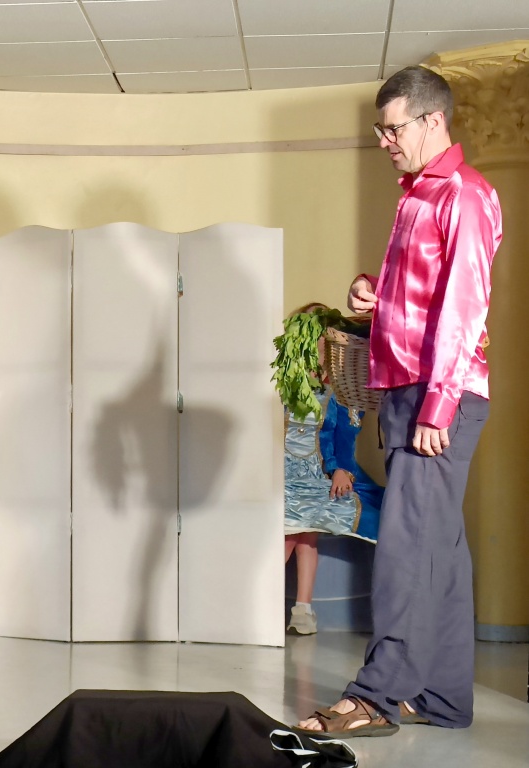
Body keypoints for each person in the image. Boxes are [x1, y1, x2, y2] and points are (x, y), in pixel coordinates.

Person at [296, 66, 501, 737]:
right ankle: (441, 696)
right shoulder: (416, 194)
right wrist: (374, 294)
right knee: (439, 548)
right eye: (380, 131)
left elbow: (464, 309)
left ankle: (376, 697)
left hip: (434, 397)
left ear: (432, 120)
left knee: (407, 547)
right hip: (406, 389)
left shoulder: (464, 195)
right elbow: (422, 300)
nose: (384, 141)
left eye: (392, 129)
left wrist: (437, 407)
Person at [284, 304, 383, 635]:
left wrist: (342, 469)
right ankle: (266, 605)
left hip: (315, 473)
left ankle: (303, 609)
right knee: (290, 531)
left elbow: (345, 435)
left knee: (306, 530)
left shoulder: (340, 388)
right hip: (280, 474)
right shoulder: (281, 381)